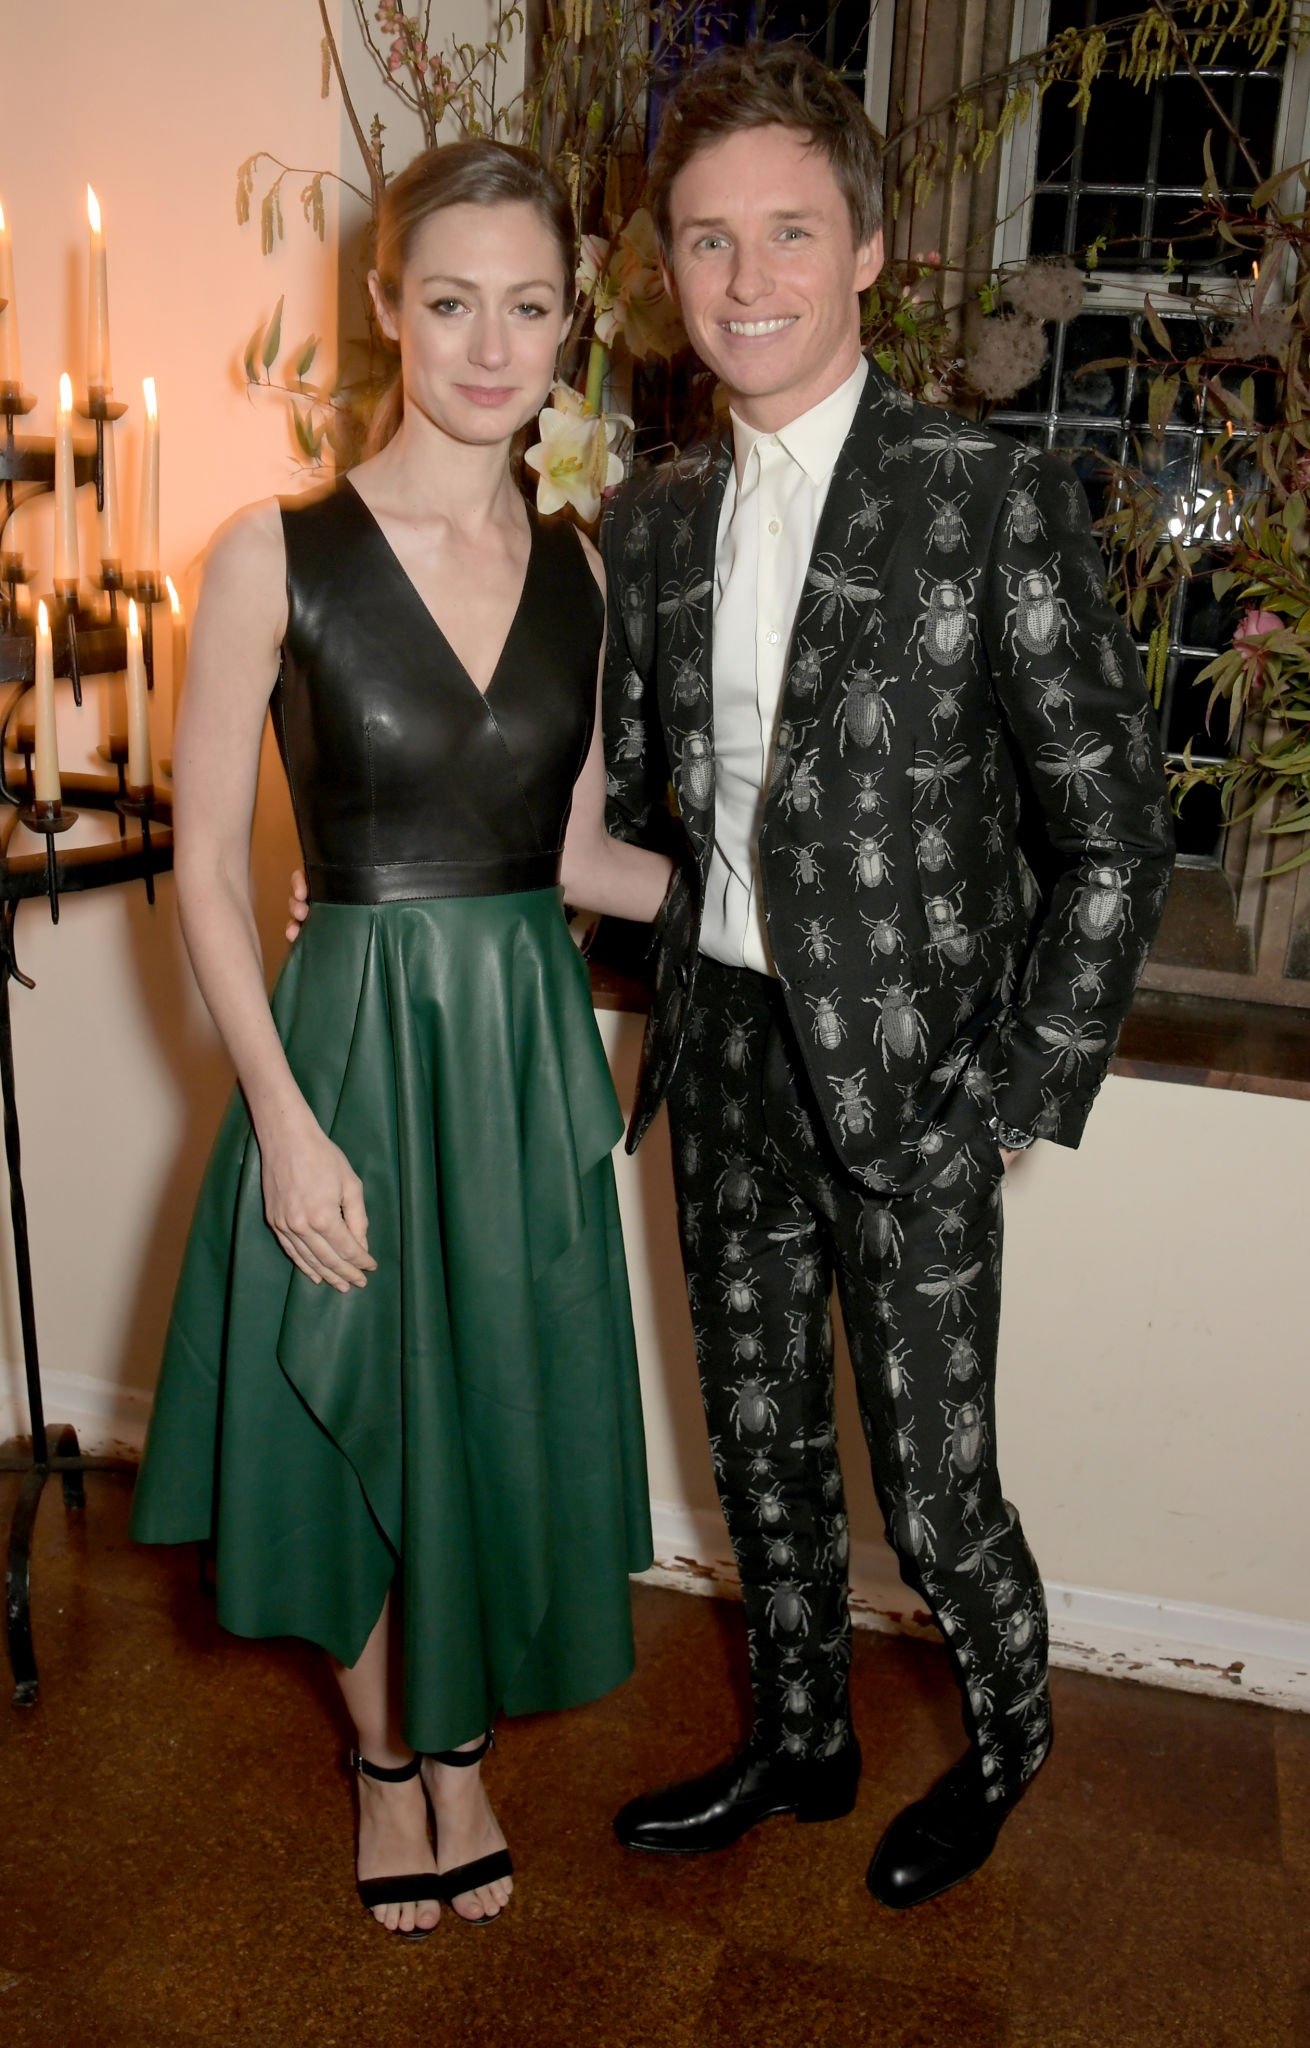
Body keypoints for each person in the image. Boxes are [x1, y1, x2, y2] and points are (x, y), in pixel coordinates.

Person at [597, 43, 1174, 1909]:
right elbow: (641, 811)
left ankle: (1002, 1745)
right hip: (724, 1055)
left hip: (919, 1085)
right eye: (707, 239)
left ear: (863, 251)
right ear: (667, 270)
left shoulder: (985, 496)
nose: (745, 276)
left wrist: (1017, 1090)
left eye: (788, 232)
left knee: (929, 1491)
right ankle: (802, 1738)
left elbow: (1115, 834)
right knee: (758, 1452)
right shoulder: (649, 521)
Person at [130, 140, 672, 1941]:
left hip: (518, 1066)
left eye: (529, 306)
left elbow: (580, 856)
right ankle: (388, 1762)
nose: (491, 346)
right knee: (351, 1409)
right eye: (450, 303)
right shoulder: (270, 553)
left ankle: (460, 1748)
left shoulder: (582, 568)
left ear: (570, 322)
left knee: (486, 1414)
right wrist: (282, 1124)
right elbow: (210, 872)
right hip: (348, 1049)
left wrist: (775, 899)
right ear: (384, 305)